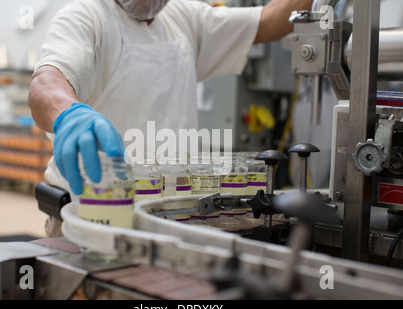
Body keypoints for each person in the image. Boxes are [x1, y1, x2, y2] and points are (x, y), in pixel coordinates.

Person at [28, 0, 312, 237]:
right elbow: (46, 83)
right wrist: (69, 114)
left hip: (173, 219)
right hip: (93, 216)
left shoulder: (184, 17)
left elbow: (269, 21)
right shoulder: (85, 16)